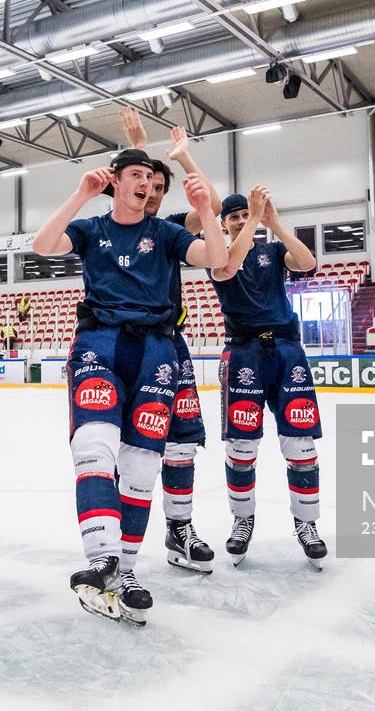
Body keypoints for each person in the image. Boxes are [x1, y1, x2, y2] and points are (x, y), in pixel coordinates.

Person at [30, 146, 225, 622]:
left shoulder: (166, 232)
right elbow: (42, 244)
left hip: (157, 350)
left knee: (140, 466)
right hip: (99, 343)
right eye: (135, 175)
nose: (144, 184)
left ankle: (126, 571)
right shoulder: (90, 228)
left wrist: (205, 209)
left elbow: (217, 258)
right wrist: (81, 194)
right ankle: (102, 557)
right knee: (93, 446)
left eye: (150, 179)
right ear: (115, 181)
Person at [119, 108, 216, 571]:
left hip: (169, 345)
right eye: (146, 184)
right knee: (125, 445)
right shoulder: (114, 224)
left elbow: (213, 207)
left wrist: (184, 158)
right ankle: (116, 540)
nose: (152, 192)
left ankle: (180, 529)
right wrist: (137, 146)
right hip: (119, 346)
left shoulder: (172, 227)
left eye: (159, 187)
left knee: (180, 441)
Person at [211, 184, 326, 566]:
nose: (242, 220)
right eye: (235, 216)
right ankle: (242, 520)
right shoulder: (218, 254)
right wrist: (256, 219)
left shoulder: (273, 251)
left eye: (246, 214)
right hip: (243, 352)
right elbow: (227, 267)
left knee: (300, 444)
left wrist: (274, 224)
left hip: (286, 349)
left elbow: (307, 262)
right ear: (224, 224)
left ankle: (307, 524)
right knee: (241, 447)